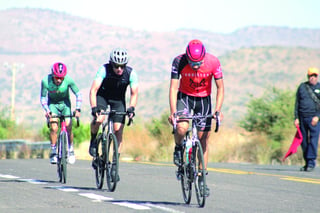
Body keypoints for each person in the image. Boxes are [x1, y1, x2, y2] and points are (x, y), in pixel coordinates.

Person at [168, 39, 224, 196]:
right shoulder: (179, 61)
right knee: (181, 127)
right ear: (187, 57)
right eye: (192, 63)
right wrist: (173, 112)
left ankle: (202, 177)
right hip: (184, 97)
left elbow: (220, 88)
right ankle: (179, 147)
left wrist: (218, 110)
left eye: (198, 63)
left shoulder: (213, 62)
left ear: (204, 57)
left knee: (203, 139)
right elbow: (173, 88)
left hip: (204, 100)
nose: (196, 66)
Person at [89, 47, 138, 180]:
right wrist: (94, 107)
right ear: (111, 63)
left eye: (122, 66)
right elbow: (93, 90)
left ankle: (115, 165)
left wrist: (132, 108)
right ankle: (93, 140)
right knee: (99, 119)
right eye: (116, 66)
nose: (119, 69)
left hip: (118, 100)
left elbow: (134, 93)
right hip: (102, 97)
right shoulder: (103, 70)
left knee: (118, 129)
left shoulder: (131, 73)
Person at [40, 62, 82, 164]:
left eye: (61, 78)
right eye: (57, 77)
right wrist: (47, 110)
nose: (59, 80)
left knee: (68, 125)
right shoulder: (46, 81)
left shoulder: (68, 80)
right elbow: (43, 98)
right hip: (52, 105)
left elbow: (78, 94)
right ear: (53, 75)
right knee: (54, 127)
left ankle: (71, 150)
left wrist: (78, 109)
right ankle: (54, 151)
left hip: (65, 104)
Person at [294, 67, 320, 172]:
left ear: (317, 76)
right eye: (310, 76)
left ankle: (311, 162)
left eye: (314, 76)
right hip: (302, 118)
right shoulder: (302, 87)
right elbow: (297, 103)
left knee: (313, 141)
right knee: (303, 141)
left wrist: (317, 116)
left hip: (314, 119)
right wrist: (296, 118)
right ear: (308, 76)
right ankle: (307, 162)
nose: (312, 78)